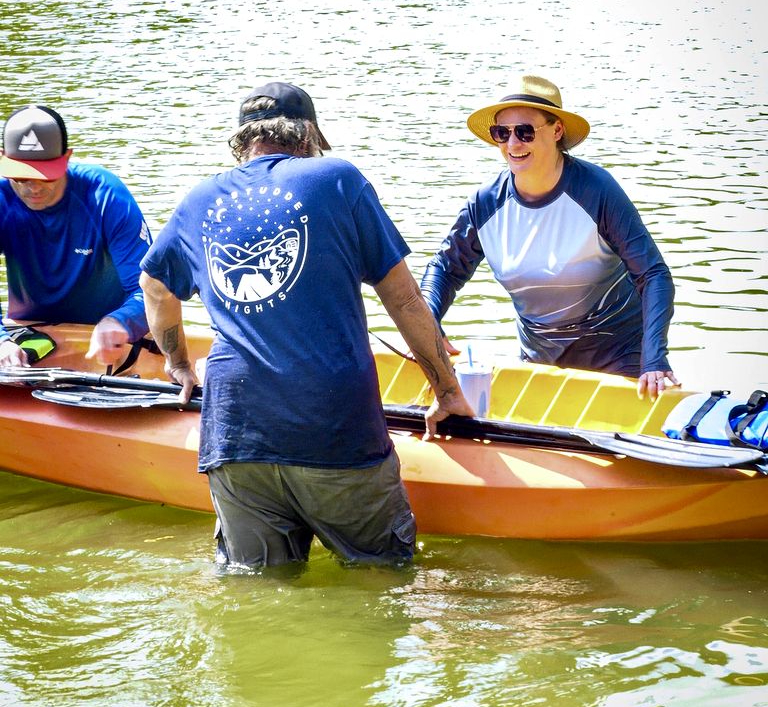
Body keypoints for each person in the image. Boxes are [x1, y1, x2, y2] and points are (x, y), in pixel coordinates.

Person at [139, 82, 472, 569]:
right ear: (308, 134)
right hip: (334, 432)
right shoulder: (337, 179)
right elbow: (402, 297)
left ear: (242, 140)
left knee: (255, 594)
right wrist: (446, 391)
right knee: (382, 580)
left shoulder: (200, 199)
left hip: (235, 438)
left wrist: (180, 366)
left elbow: (154, 286)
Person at [421, 75, 680, 401]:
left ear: (557, 131)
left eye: (525, 131)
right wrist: (426, 326)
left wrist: (654, 357)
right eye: (502, 133)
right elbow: (446, 268)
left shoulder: (597, 190)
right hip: (539, 364)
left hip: (619, 359)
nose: (513, 144)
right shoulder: (486, 202)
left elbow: (653, 274)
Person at [0, 105, 152, 368]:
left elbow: (151, 289)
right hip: (29, 340)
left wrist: (121, 320)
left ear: (67, 158)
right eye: (21, 176)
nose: (32, 187)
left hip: (106, 340)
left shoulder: (105, 195)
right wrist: (1, 341)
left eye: (45, 176)